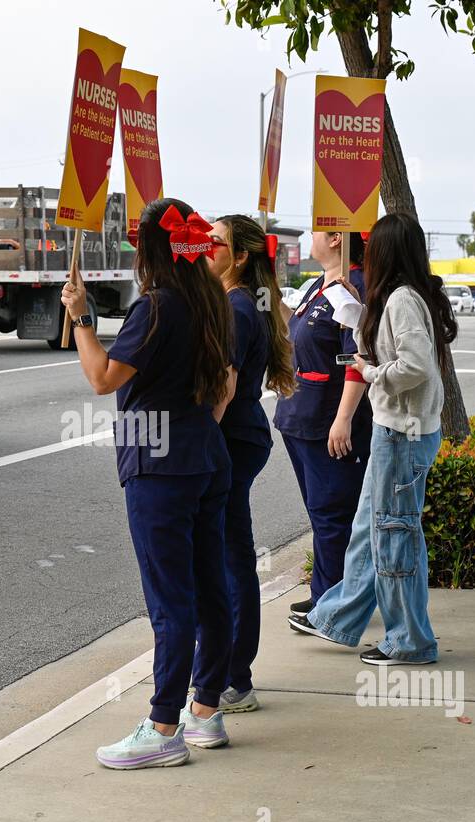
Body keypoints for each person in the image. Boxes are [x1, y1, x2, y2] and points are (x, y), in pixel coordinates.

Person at [63, 198, 237, 767]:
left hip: (160, 467)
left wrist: (83, 318)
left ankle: (164, 728)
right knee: (212, 587)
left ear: (147, 253)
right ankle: (205, 711)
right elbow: (224, 389)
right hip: (206, 457)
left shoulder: (157, 307)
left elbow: (101, 378)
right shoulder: (211, 300)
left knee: (170, 602)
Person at [288, 213, 457, 665]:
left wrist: (370, 372)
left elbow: (415, 365)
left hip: (402, 432)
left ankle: (410, 641)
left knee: (394, 535)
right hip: (399, 430)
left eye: (372, 246)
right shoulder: (405, 295)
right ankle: (338, 618)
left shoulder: (401, 299)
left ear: (385, 251)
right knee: (369, 530)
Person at [190, 214, 296, 713]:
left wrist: (199, 440)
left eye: (215, 243)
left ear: (240, 256)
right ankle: (230, 670)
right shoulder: (237, 303)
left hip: (230, 437)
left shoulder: (237, 307)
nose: (205, 248)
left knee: (230, 558)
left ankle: (235, 678)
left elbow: (224, 387)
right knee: (227, 555)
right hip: (239, 434)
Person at [275, 229, 372, 619]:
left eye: (315, 230)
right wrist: (268, 292)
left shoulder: (357, 285)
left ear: (336, 238)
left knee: (332, 512)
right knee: (320, 513)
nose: (306, 237)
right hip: (301, 415)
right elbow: (294, 330)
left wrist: (343, 419)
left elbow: (356, 357)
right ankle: (326, 595)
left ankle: (334, 605)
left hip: (329, 419)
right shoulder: (322, 282)